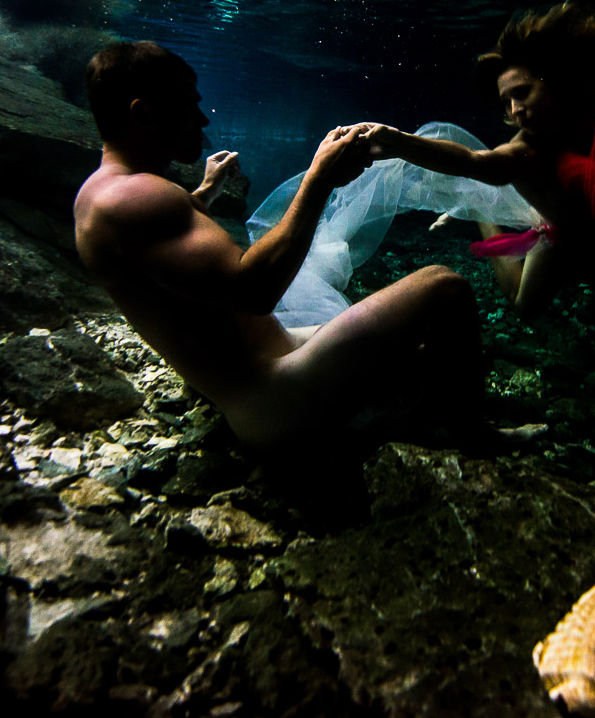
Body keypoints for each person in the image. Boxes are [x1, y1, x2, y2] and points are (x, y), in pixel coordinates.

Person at [72, 40, 486, 451]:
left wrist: (204, 194)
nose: (201, 119)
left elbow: (162, 256)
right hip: (273, 393)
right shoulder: (134, 199)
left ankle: (417, 418)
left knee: (408, 349)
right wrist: (319, 178)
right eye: (188, 105)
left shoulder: (104, 195)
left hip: (260, 376)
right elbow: (256, 291)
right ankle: (473, 437)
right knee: (444, 286)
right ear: (143, 113)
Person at [355, 0, 595, 316]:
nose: (515, 110)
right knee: (525, 307)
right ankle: (482, 213)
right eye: (506, 103)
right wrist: (401, 142)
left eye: (522, 94)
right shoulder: (526, 149)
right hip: (564, 236)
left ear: (554, 82)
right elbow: (472, 161)